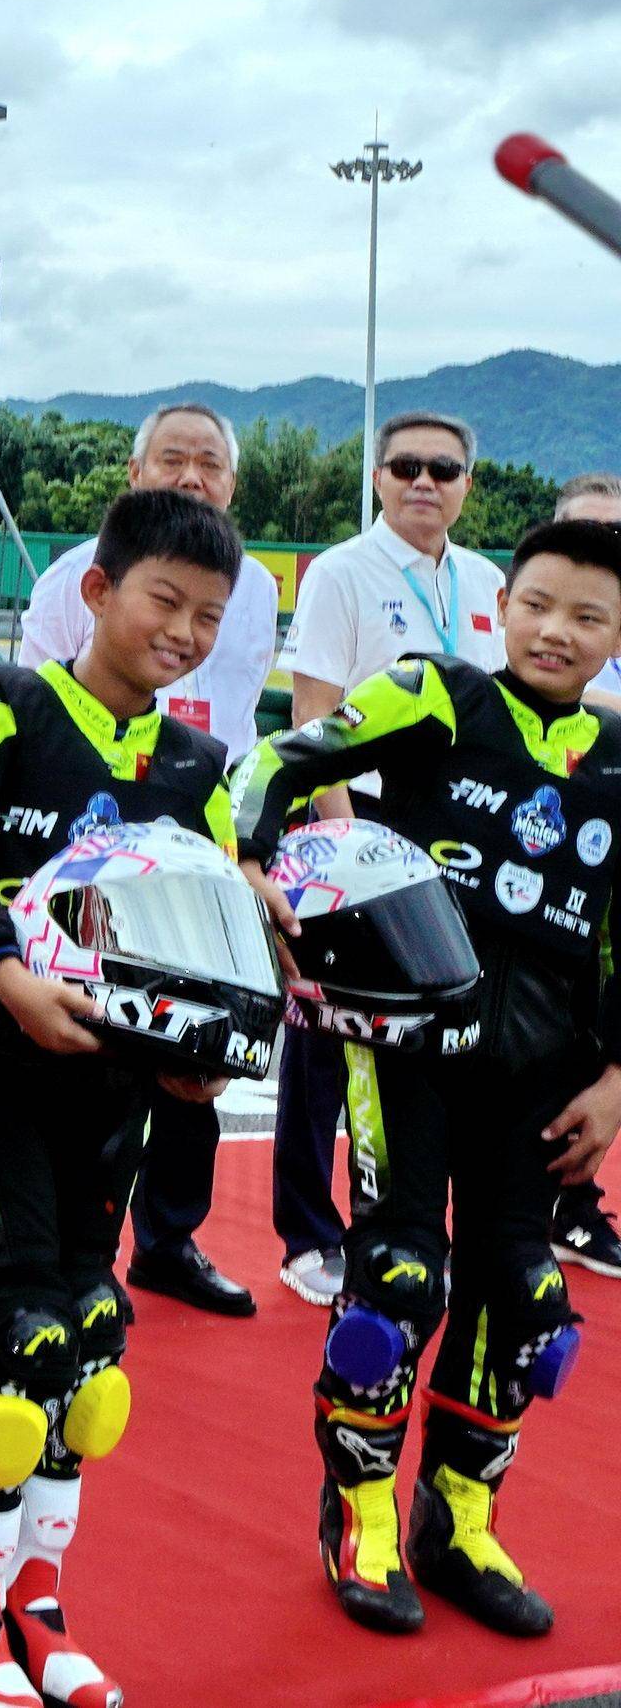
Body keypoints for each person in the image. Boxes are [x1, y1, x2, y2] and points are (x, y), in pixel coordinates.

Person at [233, 515, 621, 1642]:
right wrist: (250, 865)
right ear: (503, 606)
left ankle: (460, 1519)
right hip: (399, 1049)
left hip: (545, 1076)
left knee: (526, 1297)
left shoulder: (617, 757)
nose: (555, 630)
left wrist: (616, 1082)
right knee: (399, 1279)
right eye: (537, 603)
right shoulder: (434, 694)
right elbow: (275, 761)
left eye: (587, 616)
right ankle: (360, 1510)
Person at [0, 488, 248, 1708]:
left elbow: (214, 935)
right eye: (164, 600)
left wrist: (202, 1059)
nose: (183, 632)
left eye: (208, 616)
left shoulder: (199, 766)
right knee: (20, 1332)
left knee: (90, 1333)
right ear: (95, 590)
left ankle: (36, 1602)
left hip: (109, 1085)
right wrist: (2, 969)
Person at [16, 400, 277, 1319]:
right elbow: (46, 714)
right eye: (173, 458)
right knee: (104, 1057)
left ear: (233, 484)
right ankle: (70, 1252)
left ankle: (170, 1238)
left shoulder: (256, 590)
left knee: (198, 1035)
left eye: (211, 463)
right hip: (94, 848)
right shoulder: (74, 577)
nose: (192, 476)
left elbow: (242, 712)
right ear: (135, 473)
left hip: (197, 811)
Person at [267, 413, 506, 1308]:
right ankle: (307, 1235)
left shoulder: (484, 581)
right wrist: (341, 846)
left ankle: (408, 1225)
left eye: (443, 468)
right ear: (378, 478)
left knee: (437, 1034)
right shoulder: (342, 573)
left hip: (459, 833)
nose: (424, 482)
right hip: (360, 823)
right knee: (326, 1037)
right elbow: (312, 715)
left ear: (467, 484)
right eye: (406, 466)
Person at [548, 473, 621, 1281]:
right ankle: (554, 1205)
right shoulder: (558, 630)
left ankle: (575, 1203)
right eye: (588, 529)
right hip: (559, 875)